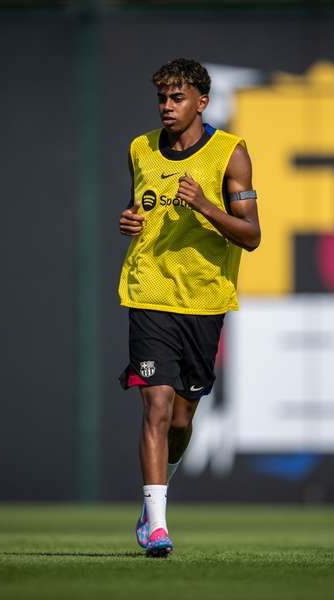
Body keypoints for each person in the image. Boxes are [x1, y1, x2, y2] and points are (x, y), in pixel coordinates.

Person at [118, 58, 261, 558]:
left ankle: (155, 502)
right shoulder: (140, 148)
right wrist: (130, 222)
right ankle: (156, 524)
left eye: (177, 98)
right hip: (148, 292)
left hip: (203, 301)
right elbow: (140, 207)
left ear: (202, 102)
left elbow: (252, 236)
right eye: (162, 98)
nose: (167, 107)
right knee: (156, 404)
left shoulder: (229, 154)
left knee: (181, 419)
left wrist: (204, 204)